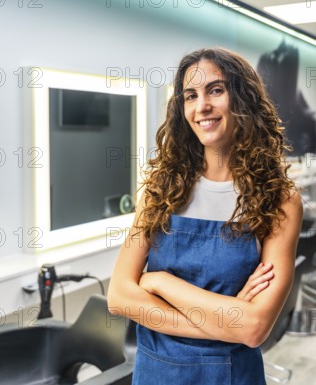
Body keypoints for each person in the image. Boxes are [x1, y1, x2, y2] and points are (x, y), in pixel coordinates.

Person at [108, 48, 303, 384]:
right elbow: (120, 297)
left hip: (230, 375)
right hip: (156, 373)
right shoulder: (160, 188)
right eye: (190, 96)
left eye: (216, 90)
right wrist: (228, 321)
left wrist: (160, 283)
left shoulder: (279, 201)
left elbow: (255, 328)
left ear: (243, 99)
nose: (202, 107)